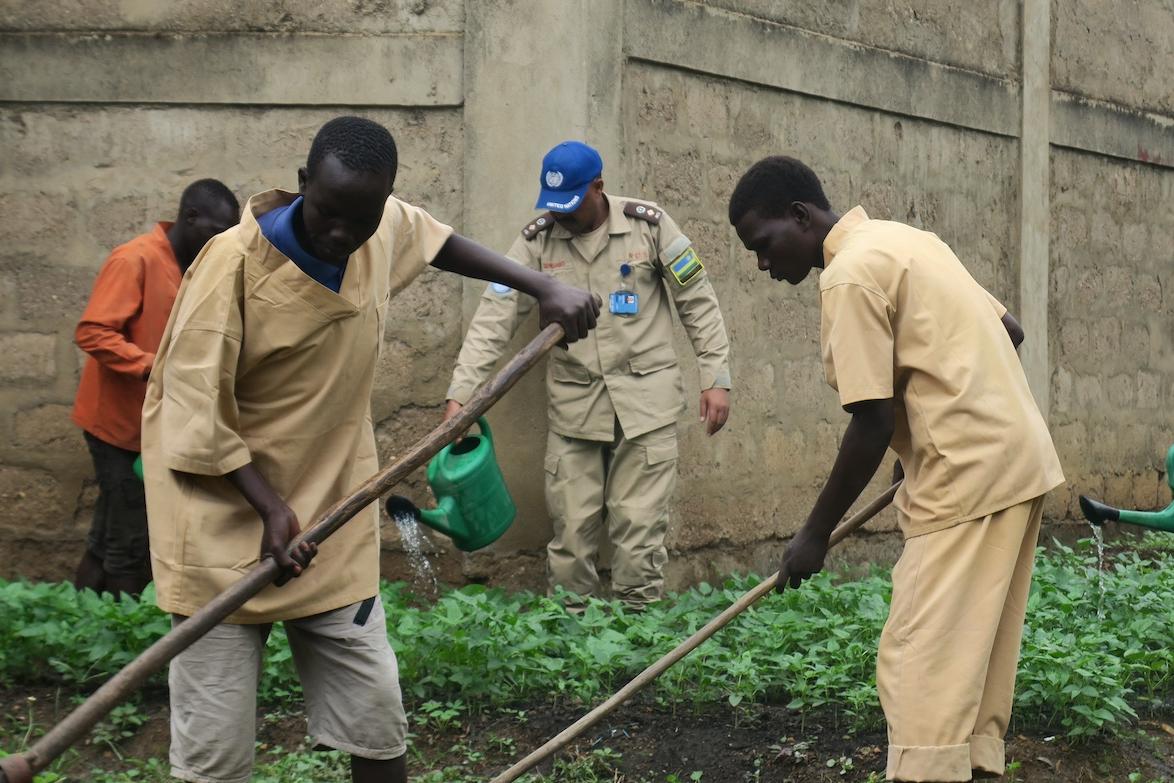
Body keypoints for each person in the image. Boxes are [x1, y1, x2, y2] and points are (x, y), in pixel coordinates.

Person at [140, 117, 598, 783]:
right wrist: (269, 508)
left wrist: (543, 286)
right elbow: (193, 410)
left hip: (330, 515)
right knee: (214, 752)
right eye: (328, 212)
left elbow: (438, 241)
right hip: (223, 522)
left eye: (362, 217)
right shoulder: (230, 267)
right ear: (304, 184)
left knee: (377, 723)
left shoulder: (374, 224)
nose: (342, 233)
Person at [728, 156, 1064, 782]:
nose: (763, 264)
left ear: (799, 216)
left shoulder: (849, 276)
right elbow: (1009, 331)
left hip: (966, 478)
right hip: (1017, 460)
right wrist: (925, 436)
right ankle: (970, 767)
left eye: (763, 244)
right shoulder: (908, 240)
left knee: (918, 665)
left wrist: (813, 535)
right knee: (972, 659)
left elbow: (872, 421)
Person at [444, 141, 732, 609]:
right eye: (553, 205)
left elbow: (697, 300)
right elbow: (495, 316)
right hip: (575, 407)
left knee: (639, 530)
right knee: (571, 533)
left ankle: (638, 630)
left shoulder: (649, 225)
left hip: (646, 406)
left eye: (571, 204)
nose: (561, 215)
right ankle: (570, 630)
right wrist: (461, 395)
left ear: (598, 187)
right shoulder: (537, 241)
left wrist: (715, 377)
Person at [71, 179, 240, 598]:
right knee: (131, 544)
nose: (220, 241)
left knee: (107, 537)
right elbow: (93, 332)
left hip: (152, 428)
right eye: (216, 231)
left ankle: (82, 619)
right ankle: (129, 631)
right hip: (116, 428)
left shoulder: (195, 267)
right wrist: (152, 367)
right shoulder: (135, 258)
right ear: (190, 217)